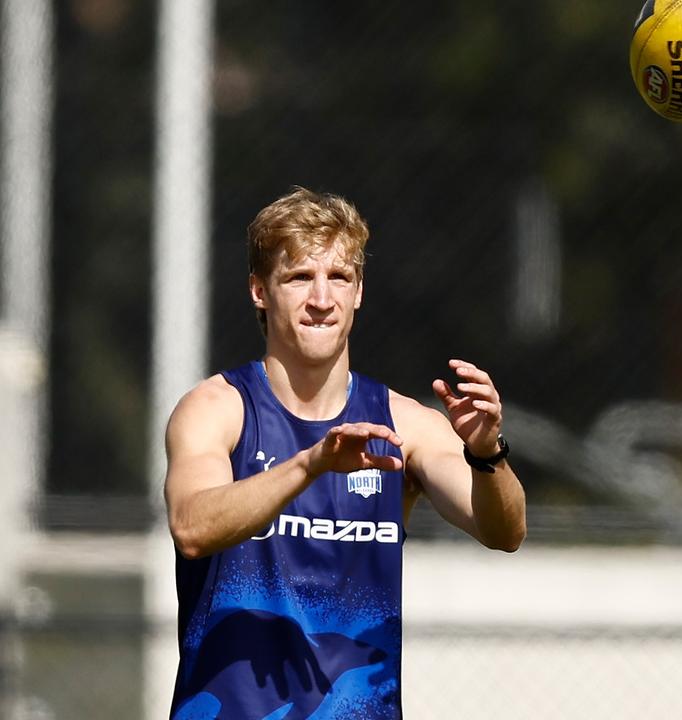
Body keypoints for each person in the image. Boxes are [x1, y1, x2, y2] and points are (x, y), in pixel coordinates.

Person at [163, 187, 527, 719]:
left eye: (339, 277)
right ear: (259, 291)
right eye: (298, 278)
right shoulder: (219, 409)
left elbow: (504, 531)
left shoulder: (404, 424)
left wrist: (487, 451)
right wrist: (313, 463)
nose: (321, 299)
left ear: (358, 292)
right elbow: (192, 528)